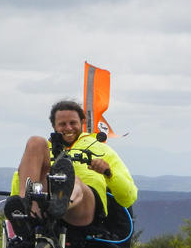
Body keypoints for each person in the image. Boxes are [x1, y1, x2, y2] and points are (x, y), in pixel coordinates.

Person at [7, 99, 137, 234]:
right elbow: (21, 178)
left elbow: (128, 197)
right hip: (45, 199)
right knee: (35, 141)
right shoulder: (46, 149)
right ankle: (25, 208)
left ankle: (61, 203)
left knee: (72, 180)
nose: (68, 128)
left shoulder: (102, 149)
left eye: (73, 123)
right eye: (62, 124)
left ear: (82, 122)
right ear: (54, 126)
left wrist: (108, 173)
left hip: (84, 206)